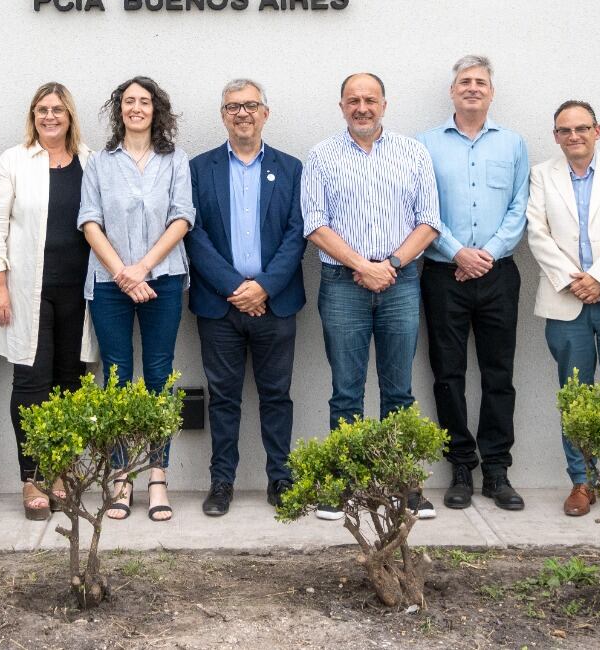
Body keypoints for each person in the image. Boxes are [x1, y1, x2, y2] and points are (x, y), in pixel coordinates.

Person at [302, 72, 440, 520]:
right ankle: (346, 486)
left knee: (399, 391)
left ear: (385, 104)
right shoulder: (321, 156)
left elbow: (429, 221)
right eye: (353, 100)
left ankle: (403, 487)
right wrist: (363, 266)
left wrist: (391, 266)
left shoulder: (413, 152)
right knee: (346, 391)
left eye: (370, 99)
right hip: (344, 284)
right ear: (341, 106)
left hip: (401, 282)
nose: (362, 107)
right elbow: (315, 224)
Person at [0, 83, 97, 521]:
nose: (50, 117)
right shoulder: (14, 160)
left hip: (78, 292)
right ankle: (32, 477)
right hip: (27, 290)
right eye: (42, 110)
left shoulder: (89, 161)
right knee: (30, 383)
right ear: (33, 115)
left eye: (58, 110)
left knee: (70, 381)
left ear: (69, 116)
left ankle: (61, 471)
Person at [185, 79, 307, 517]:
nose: (243, 113)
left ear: (265, 113)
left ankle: (281, 476)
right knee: (223, 398)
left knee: (277, 395)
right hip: (220, 305)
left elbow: (298, 234)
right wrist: (236, 288)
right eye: (233, 107)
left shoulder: (291, 168)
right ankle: (222, 482)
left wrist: (264, 287)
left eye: (251, 105)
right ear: (223, 115)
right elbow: (193, 235)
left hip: (275, 303)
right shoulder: (199, 169)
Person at [525, 100, 600, 518]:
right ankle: (582, 481)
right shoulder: (543, 175)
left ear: (598, 130)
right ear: (555, 136)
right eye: (564, 130)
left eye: (581, 128)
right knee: (575, 397)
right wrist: (575, 280)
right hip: (566, 300)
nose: (573, 136)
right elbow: (537, 233)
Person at [417, 55, 530, 513]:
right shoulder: (425, 144)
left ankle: (497, 470)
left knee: (499, 374)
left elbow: (520, 205)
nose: (472, 88)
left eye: (480, 82)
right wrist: (458, 252)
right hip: (444, 273)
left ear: (491, 91)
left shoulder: (514, 143)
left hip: (499, 273)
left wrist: (486, 256)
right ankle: (461, 467)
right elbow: (422, 207)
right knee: (447, 374)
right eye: (464, 81)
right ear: (452, 91)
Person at [79, 76, 195, 522]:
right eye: (128, 101)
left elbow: (182, 217)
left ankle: (158, 475)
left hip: (162, 278)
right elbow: (90, 221)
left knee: (160, 373)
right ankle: (121, 475)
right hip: (109, 283)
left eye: (144, 101)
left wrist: (143, 269)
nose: (136, 108)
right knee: (117, 373)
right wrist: (122, 274)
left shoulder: (175, 160)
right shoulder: (100, 162)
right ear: (119, 109)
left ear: (156, 109)